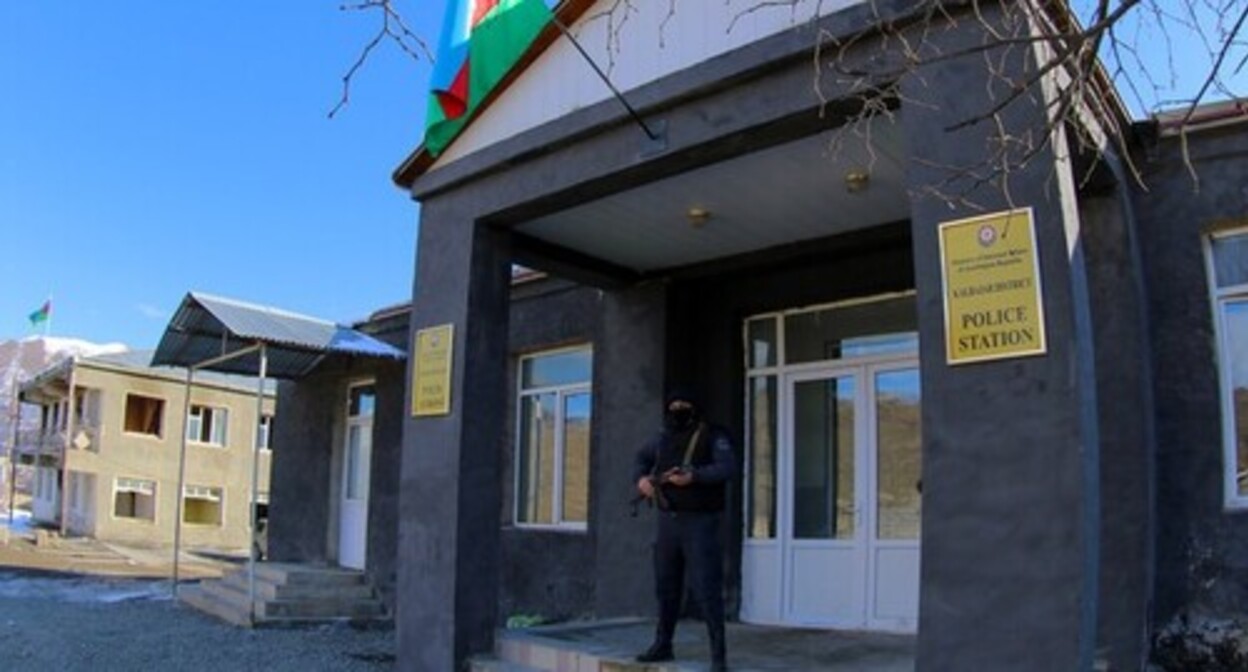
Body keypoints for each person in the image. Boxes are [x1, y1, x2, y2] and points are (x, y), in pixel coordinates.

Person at [633, 388, 736, 672]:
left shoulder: (714, 435)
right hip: (669, 523)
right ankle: (663, 645)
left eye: (684, 405)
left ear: (696, 407)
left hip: (700, 523)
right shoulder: (663, 437)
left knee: (707, 589)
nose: (678, 409)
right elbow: (641, 458)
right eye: (673, 405)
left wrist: (694, 476)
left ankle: (718, 657)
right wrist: (641, 479)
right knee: (666, 588)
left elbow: (727, 468)